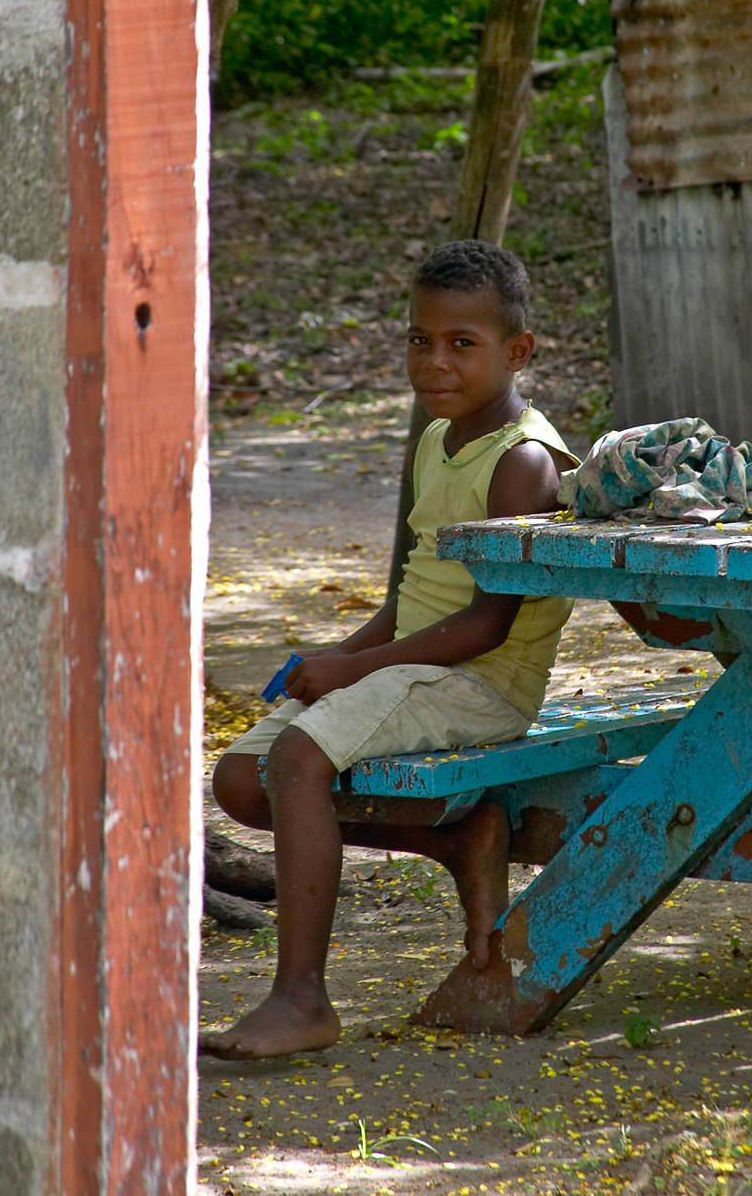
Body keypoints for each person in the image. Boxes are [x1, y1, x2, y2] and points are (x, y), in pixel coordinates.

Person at [199, 239, 577, 1059]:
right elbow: (410, 599)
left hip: (482, 683)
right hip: (415, 670)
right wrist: (332, 659)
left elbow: (487, 627)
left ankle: (301, 999)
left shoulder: (523, 463)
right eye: (419, 340)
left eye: (461, 344)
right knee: (239, 779)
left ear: (518, 352)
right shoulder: (439, 438)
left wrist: (351, 672)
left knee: (298, 762)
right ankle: (454, 838)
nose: (434, 362)